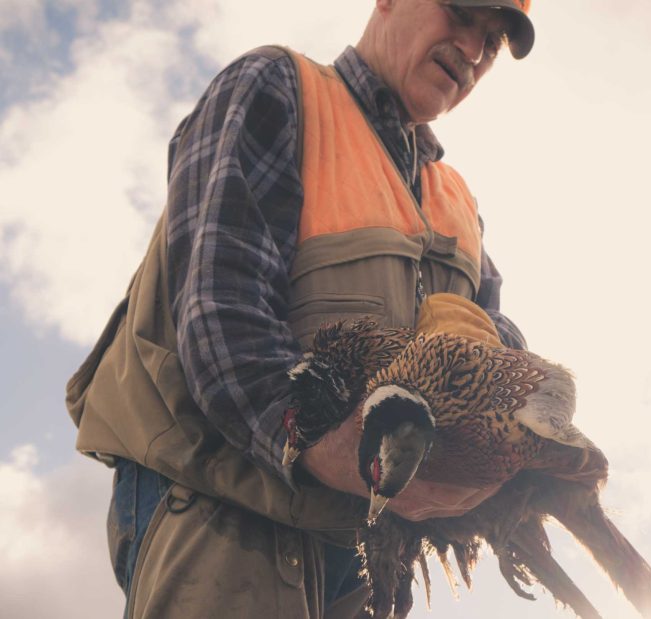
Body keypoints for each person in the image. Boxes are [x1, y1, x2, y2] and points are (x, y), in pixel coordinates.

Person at [65, 0, 534, 617]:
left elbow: (500, 357)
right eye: (463, 12)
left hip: (364, 554)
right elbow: (221, 316)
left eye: (494, 41)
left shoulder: (456, 201)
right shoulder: (279, 89)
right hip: (229, 517)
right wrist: (338, 450)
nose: (473, 50)